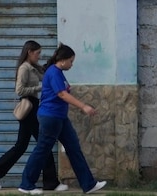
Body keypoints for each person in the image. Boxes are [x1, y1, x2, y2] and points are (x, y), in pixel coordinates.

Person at [18, 44, 106, 196]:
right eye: (71, 61)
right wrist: (83, 106)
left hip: (60, 117)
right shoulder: (53, 72)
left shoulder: (58, 72)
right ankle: (26, 184)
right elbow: (62, 95)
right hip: (50, 117)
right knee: (42, 150)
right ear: (63, 60)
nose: (72, 64)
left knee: (73, 148)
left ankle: (88, 184)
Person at [0, 40, 64, 192]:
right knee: (43, 143)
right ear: (29, 52)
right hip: (29, 109)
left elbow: (45, 74)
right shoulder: (24, 68)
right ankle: (49, 182)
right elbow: (19, 90)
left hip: (33, 107)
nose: (39, 56)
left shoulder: (33, 67)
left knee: (23, 146)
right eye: (37, 53)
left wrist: (55, 58)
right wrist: (41, 87)